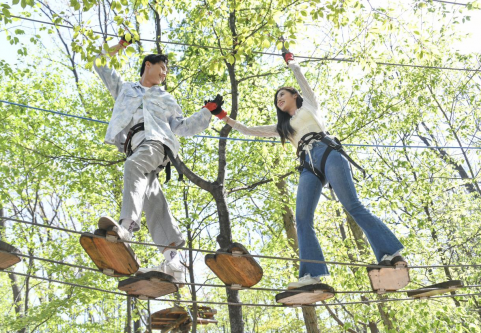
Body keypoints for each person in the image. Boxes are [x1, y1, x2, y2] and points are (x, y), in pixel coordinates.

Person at [219, 52, 406, 289]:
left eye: (282, 94)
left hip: (327, 151)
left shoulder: (309, 104)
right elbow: (248, 130)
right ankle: (311, 275)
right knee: (302, 218)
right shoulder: (283, 127)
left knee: (353, 206)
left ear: (295, 95)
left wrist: (291, 61)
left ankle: (390, 254)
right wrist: (222, 116)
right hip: (307, 165)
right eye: (276, 98)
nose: (278, 99)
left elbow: (301, 77)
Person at [93, 36, 227, 281]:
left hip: (156, 143)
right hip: (135, 145)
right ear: (148, 65)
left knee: (133, 166)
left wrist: (206, 112)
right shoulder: (125, 89)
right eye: (162, 68)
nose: (165, 73)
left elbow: (182, 127)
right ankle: (173, 260)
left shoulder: (166, 98)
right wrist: (120, 45)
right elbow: (99, 62)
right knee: (152, 197)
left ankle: (127, 227)